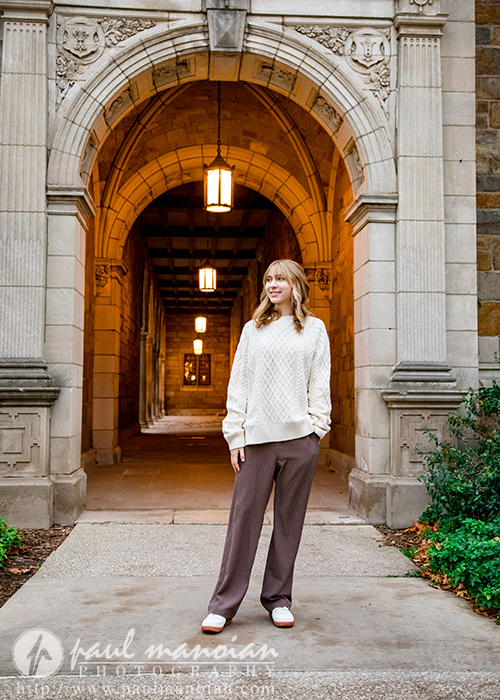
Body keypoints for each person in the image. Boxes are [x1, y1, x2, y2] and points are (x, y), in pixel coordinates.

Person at [201, 259, 331, 633]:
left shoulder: (314, 330)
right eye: (269, 279)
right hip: (256, 441)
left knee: (289, 524)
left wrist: (315, 431)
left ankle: (278, 599)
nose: (273, 285)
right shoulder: (253, 329)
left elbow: (319, 383)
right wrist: (234, 435)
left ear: (296, 284)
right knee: (244, 521)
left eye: (280, 279)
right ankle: (223, 606)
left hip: (299, 441)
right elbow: (238, 384)